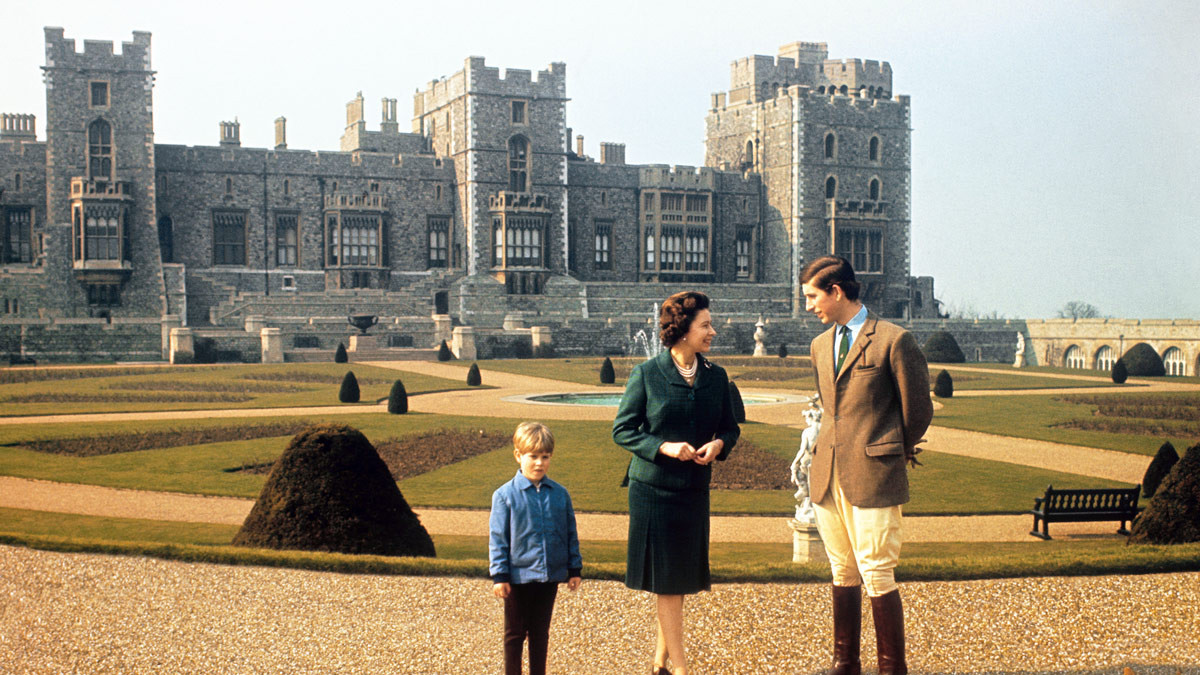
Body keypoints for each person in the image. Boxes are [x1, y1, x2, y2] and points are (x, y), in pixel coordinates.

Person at [800, 256, 933, 675]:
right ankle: (845, 664)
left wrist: (891, 448)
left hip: (873, 473)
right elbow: (830, 410)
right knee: (842, 569)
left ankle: (892, 668)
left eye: (812, 296)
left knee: (877, 571)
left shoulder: (894, 340)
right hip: (826, 475)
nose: (809, 306)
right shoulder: (820, 346)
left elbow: (918, 410)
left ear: (837, 291)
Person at [612, 291, 740, 675]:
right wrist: (664, 446)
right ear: (683, 331)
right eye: (705, 325)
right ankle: (681, 669)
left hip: (694, 491)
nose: (712, 332)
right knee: (668, 583)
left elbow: (731, 428)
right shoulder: (647, 374)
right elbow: (623, 430)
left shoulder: (717, 377)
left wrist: (719, 444)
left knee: (679, 581)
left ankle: (658, 662)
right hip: (654, 492)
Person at [489, 422, 583, 675]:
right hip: (518, 578)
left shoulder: (560, 495)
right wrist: (500, 575)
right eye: (533, 456)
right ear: (519, 456)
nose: (539, 463)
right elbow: (498, 539)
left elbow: (570, 533)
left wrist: (574, 568)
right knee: (515, 633)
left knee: (541, 633)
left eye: (545, 457)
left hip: (549, 576)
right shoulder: (504, 496)